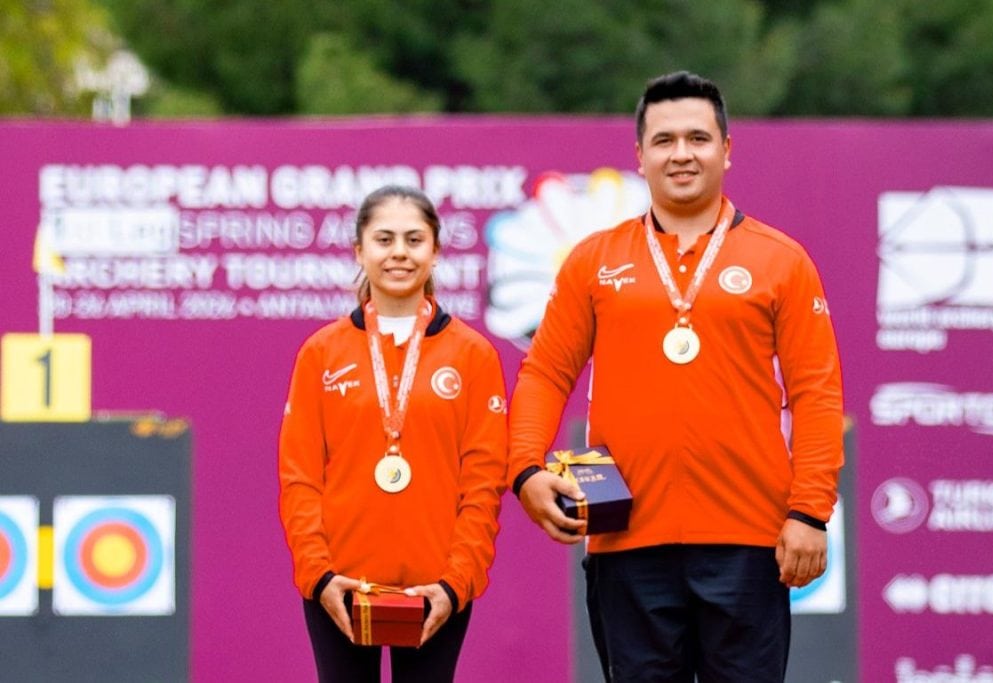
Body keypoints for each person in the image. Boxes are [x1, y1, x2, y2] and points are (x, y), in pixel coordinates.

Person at [508, 70, 844, 682]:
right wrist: (525, 469)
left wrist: (810, 512)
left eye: (698, 138)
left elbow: (816, 393)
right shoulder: (593, 260)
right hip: (627, 541)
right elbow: (545, 373)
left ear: (726, 150)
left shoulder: (781, 260)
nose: (681, 154)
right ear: (639, 156)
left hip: (750, 542)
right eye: (663, 140)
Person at [279, 185, 508, 682]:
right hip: (339, 585)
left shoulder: (473, 355)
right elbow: (299, 478)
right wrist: (319, 576)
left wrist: (455, 583)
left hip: (436, 589)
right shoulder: (321, 353)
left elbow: (484, 484)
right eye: (384, 239)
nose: (399, 253)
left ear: (436, 251)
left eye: (414, 239)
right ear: (359, 251)